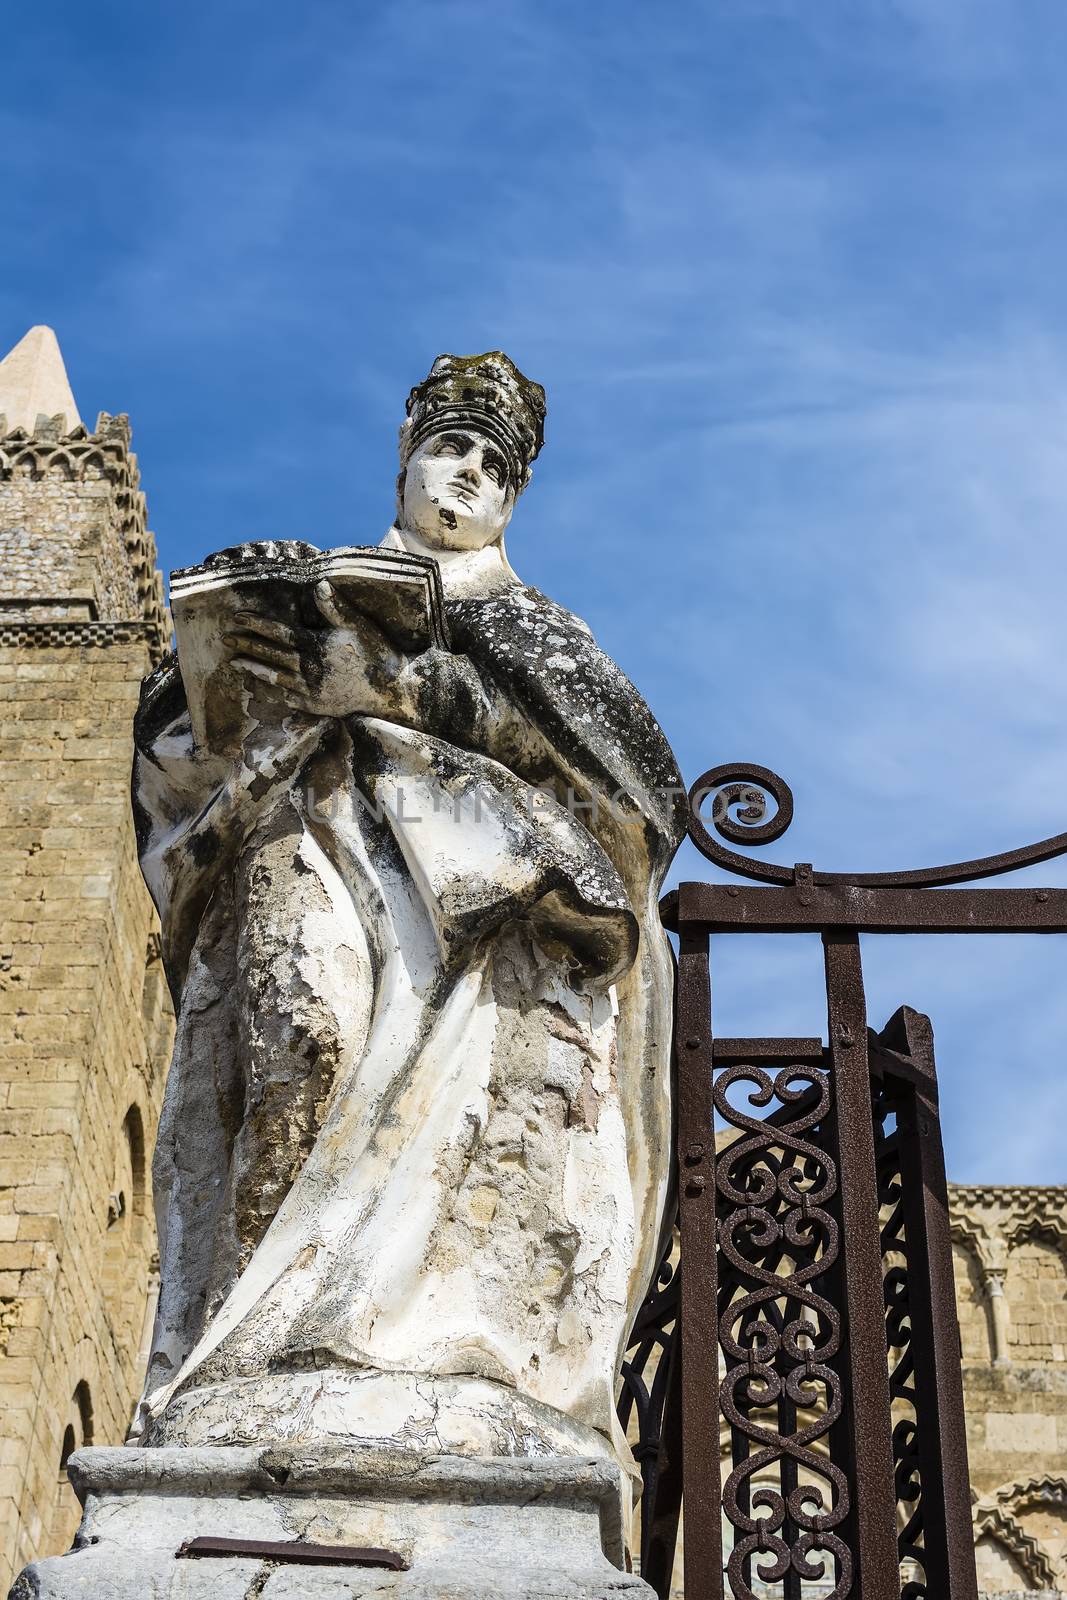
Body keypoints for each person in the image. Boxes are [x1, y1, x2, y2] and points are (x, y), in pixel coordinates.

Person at [131, 352, 686, 1468]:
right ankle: (254, 1349)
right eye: (450, 448)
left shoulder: (539, 631)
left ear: (512, 496)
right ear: (405, 458)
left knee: (472, 1142)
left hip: (482, 930)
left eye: (495, 465)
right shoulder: (304, 576)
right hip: (306, 842)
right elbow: (169, 760)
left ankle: (426, 1351)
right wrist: (220, 680)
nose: (469, 474)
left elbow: (636, 801)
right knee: (300, 1038)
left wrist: (400, 687)